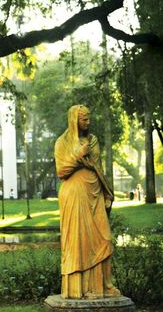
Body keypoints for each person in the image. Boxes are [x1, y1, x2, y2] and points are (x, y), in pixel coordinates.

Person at [54, 105, 119, 299]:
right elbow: (62, 171)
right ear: (74, 120)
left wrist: (107, 193)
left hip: (94, 192)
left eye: (89, 118)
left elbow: (95, 165)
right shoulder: (62, 142)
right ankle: (80, 289)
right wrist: (78, 155)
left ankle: (103, 286)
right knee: (78, 242)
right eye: (84, 119)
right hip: (74, 195)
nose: (88, 122)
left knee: (104, 238)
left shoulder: (93, 141)